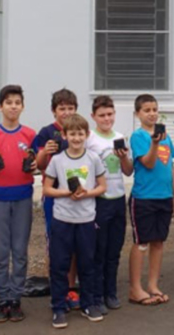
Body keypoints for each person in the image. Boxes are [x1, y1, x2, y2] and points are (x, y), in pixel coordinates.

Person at [43, 113, 108, 328]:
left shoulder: (93, 158)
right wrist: (65, 193)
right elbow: (47, 189)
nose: (77, 138)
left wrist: (87, 193)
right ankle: (59, 307)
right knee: (59, 264)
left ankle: (89, 303)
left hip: (86, 220)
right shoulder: (57, 160)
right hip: (62, 219)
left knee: (87, 263)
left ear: (87, 135)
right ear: (64, 135)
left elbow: (102, 186)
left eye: (80, 134)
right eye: (72, 134)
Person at [0, 84, 37, 323]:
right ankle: (3, 298)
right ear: (0, 106)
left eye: (17, 102)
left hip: (23, 195)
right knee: (1, 250)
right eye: (8, 102)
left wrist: (36, 166)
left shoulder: (31, 135)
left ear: (22, 106)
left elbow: (37, 161)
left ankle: (16, 298)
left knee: (20, 250)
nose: (13, 106)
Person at [127, 93, 174, 307]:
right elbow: (148, 163)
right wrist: (154, 144)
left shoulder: (164, 135)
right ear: (138, 113)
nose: (152, 114)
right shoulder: (138, 137)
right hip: (144, 198)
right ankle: (135, 288)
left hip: (164, 197)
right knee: (142, 242)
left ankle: (153, 285)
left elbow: (171, 167)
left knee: (158, 242)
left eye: (155, 109)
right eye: (147, 110)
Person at [32, 88, 81, 309]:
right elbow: (38, 165)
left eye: (70, 108)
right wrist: (45, 153)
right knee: (55, 243)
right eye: (62, 108)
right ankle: (58, 286)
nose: (66, 112)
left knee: (74, 244)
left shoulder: (79, 130)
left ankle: (71, 287)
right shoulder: (45, 133)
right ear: (54, 111)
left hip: (77, 196)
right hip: (54, 196)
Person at [85, 95, 133, 313]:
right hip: (99, 200)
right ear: (93, 116)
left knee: (114, 250)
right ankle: (95, 297)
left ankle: (110, 292)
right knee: (99, 251)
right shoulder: (90, 138)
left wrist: (123, 157)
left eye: (110, 114)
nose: (107, 118)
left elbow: (128, 170)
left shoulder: (121, 136)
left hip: (117, 199)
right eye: (102, 115)